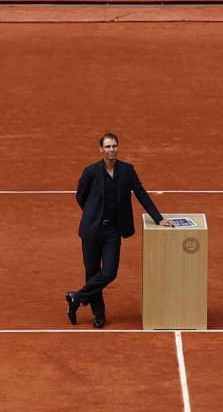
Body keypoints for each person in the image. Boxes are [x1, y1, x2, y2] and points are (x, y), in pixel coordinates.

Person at [66, 132, 164, 328]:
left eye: (114, 146)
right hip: (92, 231)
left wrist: (158, 218)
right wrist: (92, 214)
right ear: (101, 149)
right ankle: (99, 314)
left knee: (109, 272)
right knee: (92, 272)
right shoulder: (91, 172)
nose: (111, 150)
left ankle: (76, 297)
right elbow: (80, 196)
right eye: (108, 147)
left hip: (113, 231)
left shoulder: (127, 171)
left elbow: (141, 193)